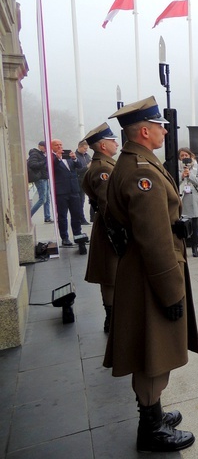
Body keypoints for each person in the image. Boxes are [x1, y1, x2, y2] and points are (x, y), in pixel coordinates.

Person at [104, 96, 198, 452]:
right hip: (151, 276)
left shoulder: (136, 162)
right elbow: (155, 240)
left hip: (143, 272)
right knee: (154, 351)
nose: (165, 130)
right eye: (160, 125)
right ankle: (151, 427)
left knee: (153, 348)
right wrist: (171, 290)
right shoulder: (142, 171)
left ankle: (154, 411)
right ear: (145, 131)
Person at [82, 123, 119, 332]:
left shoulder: (103, 163)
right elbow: (108, 204)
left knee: (110, 274)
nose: (116, 143)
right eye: (112, 140)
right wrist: (119, 232)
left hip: (106, 228)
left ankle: (112, 316)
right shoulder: (104, 168)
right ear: (103, 145)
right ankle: (111, 318)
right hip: (108, 229)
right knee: (110, 275)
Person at [51, 139, 85, 246]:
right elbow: (49, 169)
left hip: (74, 190)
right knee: (62, 216)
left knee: (76, 214)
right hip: (61, 192)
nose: (60, 147)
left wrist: (74, 158)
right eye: (57, 145)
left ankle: (78, 235)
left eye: (61, 144)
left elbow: (79, 166)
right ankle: (65, 238)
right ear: (52, 147)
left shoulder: (68, 156)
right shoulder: (51, 158)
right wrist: (57, 158)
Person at [178, 148, 198, 257]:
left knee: (194, 224)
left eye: (186, 155)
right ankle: (181, 247)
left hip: (192, 197)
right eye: (182, 155)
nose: (184, 157)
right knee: (180, 223)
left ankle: (194, 247)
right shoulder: (176, 166)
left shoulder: (196, 166)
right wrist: (182, 175)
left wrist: (190, 175)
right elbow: (172, 180)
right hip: (180, 196)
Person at [27, 140, 53, 223]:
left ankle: (47, 217)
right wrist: (45, 161)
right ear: (39, 146)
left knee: (47, 199)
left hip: (44, 177)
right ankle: (29, 215)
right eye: (44, 147)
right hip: (40, 178)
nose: (46, 149)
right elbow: (32, 165)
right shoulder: (35, 154)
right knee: (42, 199)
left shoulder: (42, 154)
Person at [74, 140, 92, 224]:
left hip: (88, 179)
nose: (86, 150)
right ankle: (81, 219)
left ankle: (93, 216)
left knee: (91, 198)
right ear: (79, 147)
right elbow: (77, 170)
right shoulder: (75, 157)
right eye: (85, 148)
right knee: (81, 200)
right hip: (79, 180)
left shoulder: (87, 156)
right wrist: (87, 166)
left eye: (87, 148)